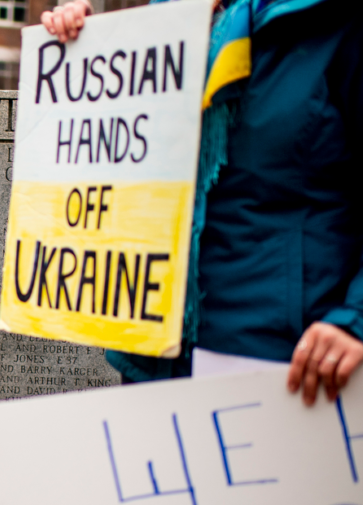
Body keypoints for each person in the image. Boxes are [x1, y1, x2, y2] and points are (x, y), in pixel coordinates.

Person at [43, 0, 363, 405]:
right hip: (153, 360)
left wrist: (355, 322)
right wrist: (87, 50)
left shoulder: (340, 23)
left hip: (285, 370)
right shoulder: (168, 18)